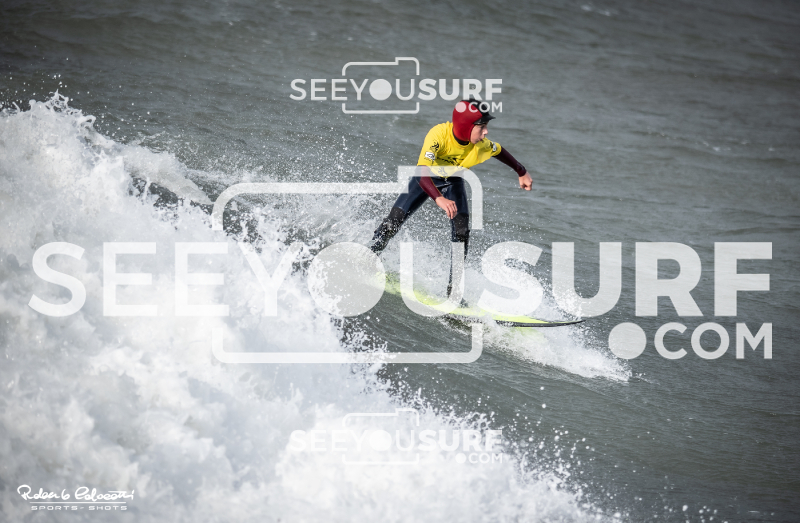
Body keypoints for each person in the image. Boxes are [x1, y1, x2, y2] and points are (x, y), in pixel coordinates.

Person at [368, 99, 533, 296]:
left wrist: (521, 171)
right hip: (425, 179)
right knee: (393, 222)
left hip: (452, 181)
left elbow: (499, 151)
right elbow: (422, 173)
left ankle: (453, 291)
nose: (486, 132)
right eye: (481, 127)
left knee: (462, 232)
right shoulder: (438, 135)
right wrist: (439, 198)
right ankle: (368, 259)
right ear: (466, 126)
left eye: (486, 127)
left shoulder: (480, 145)